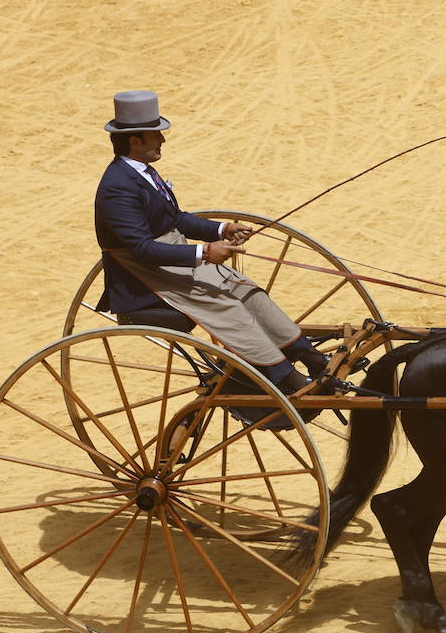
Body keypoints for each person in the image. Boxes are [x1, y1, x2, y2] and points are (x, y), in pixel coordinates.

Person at [93, 90, 329, 404]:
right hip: (143, 278)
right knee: (227, 306)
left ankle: (309, 357)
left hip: (172, 262)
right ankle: (285, 375)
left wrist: (222, 228)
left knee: (247, 291)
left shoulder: (143, 173)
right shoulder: (117, 187)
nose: (162, 140)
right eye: (156, 135)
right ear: (134, 141)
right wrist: (204, 252)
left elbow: (175, 219)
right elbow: (142, 250)